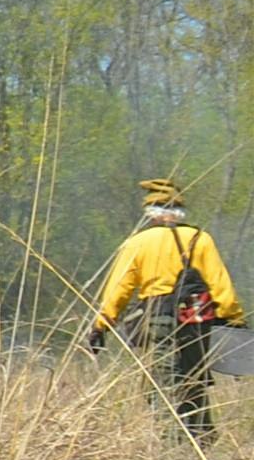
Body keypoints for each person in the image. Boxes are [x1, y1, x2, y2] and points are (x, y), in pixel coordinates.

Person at [83, 179, 239, 441]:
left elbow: (118, 290)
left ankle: (174, 445)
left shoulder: (139, 242)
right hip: (197, 322)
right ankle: (203, 438)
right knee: (194, 380)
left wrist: (101, 326)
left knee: (163, 385)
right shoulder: (200, 239)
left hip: (159, 321)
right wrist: (235, 320)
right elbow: (220, 285)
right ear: (179, 210)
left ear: (150, 212)